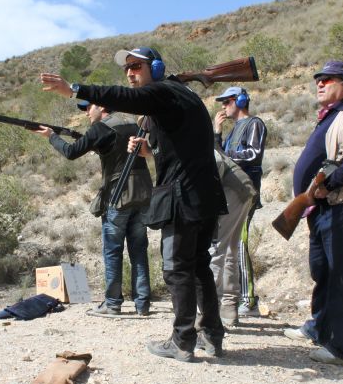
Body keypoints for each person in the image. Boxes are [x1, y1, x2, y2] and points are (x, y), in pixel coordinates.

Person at [40, 46, 228, 362]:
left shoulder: (163, 93)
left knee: (177, 268)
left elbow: (124, 99)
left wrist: (74, 89)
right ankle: (212, 335)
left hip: (183, 197)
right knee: (198, 267)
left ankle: (182, 341)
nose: (130, 73)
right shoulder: (181, 95)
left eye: (136, 67)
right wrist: (149, 153)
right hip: (204, 194)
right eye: (127, 68)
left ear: (155, 68)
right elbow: (183, 150)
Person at [284, 60, 343, 365]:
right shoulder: (330, 116)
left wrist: (331, 182)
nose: (320, 84)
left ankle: (342, 347)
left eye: (328, 79)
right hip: (322, 207)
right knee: (322, 271)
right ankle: (320, 328)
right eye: (318, 80)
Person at [33, 101, 152, 316]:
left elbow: (70, 152)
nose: (87, 112)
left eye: (89, 107)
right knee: (139, 251)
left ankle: (113, 304)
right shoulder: (132, 125)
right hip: (142, 195)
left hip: (118, 197)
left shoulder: (100, 128)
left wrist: (51, 136)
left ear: (102, 107)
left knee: (113, 252)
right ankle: (142, 304)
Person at [214, 86, 267, 318]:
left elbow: (254, 153)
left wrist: (228, 157)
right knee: (231, 246)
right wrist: (217, 131)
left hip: (244, 191)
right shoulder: (235, 128)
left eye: (227, 101)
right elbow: (218, 152)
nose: (224, 106)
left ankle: (248, 300)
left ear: (240, 100)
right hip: (230, 190)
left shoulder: (254, 123)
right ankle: (235, 300)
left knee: (239, 244)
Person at [210, 148, 257, 327]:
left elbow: (216, 165)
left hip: (233, 193)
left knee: (217, 249)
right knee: (230, 249)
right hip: (242, 191)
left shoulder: (197, 144)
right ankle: (228, 308)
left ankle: (208, 313)